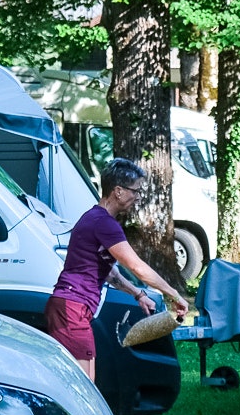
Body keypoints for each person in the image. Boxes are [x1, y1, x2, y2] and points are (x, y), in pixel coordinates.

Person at [45, 157, 191, 378]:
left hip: (72, 307)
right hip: (72, 308)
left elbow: (109, 272)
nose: (138, 197)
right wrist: (174, 295)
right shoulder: (104, 223)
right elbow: (137, 267)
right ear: (118, 191)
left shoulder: (95, 218)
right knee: (82, 387)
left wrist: (138, 294)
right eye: (135, 191)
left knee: (87, 384)